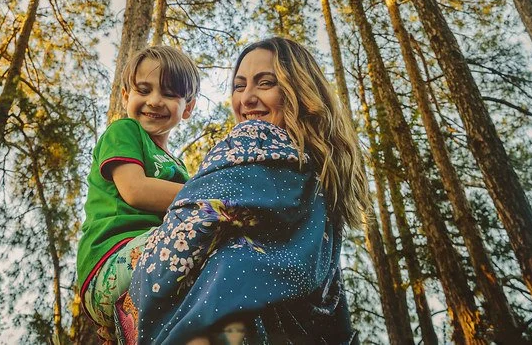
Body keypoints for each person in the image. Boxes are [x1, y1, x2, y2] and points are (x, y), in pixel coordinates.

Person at [119, 37, 368, 344]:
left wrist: (141, 292)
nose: (247, 98)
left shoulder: (255, 141)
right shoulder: (321, 180)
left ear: (300, 90)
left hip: (217, 325)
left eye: (264, 83)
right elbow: (333, 303)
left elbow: (180, 239)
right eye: (239, 86)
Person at [77, 45, 202, 339]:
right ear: (126, 97)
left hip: (155, 266)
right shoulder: (124, 132)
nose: (154, 101)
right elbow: (135, 190)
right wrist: (211, 197)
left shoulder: (178, 168)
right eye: (143, 90)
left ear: (188, 107)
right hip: (113, 258)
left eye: (169, 94)